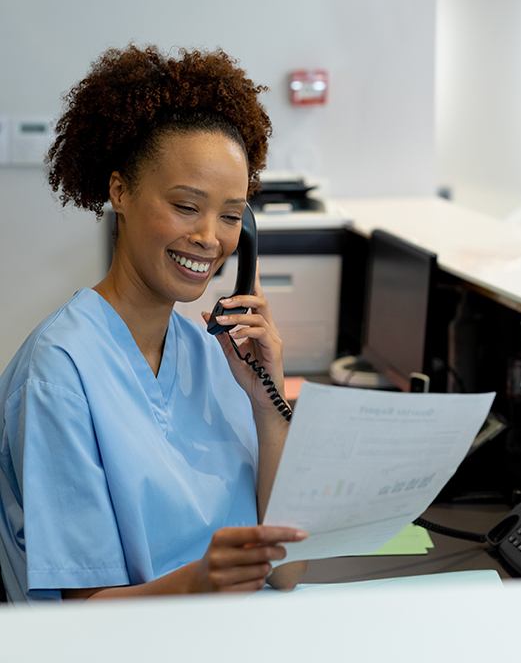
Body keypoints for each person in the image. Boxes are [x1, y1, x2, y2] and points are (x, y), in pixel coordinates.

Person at [0, 45, 307, 602]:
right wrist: (199, 584)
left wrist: (268, 400)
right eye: (187, 206)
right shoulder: (60, 373)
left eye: (233, 216)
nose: (211, 237)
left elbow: (287, 572)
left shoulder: (213, 355)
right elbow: (79, 623)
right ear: (120, 192)